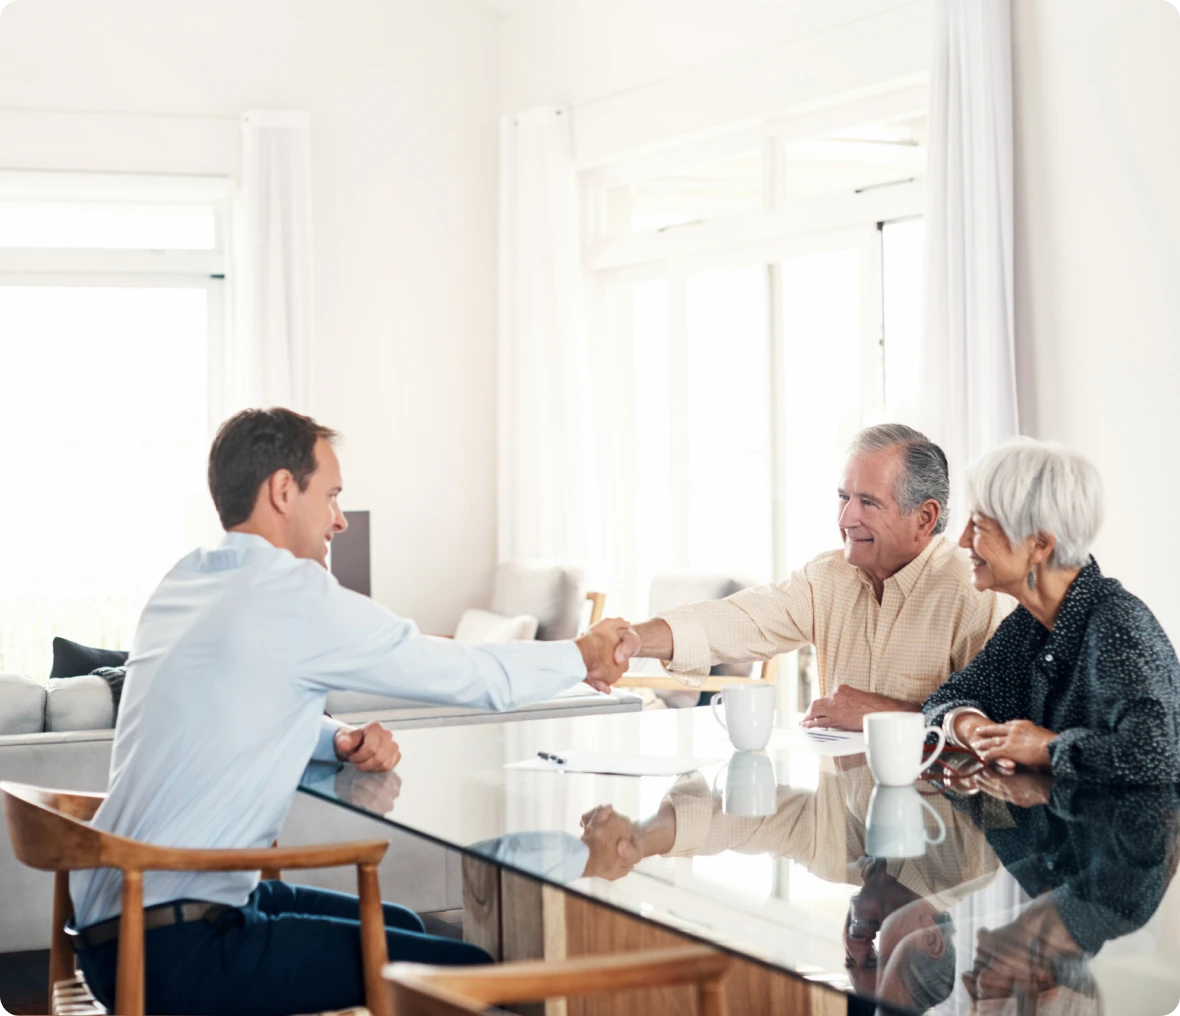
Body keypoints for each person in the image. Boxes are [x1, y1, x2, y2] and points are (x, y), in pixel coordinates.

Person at [69, 408, 638, 1016]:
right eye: (332, 495)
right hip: (178, 948)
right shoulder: (292, 595)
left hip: (116, 926)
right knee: (470, 978)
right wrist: (582, 653)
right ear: (284, 490)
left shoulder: (185, 581)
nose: (339, 518)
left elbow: (230, 707)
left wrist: (335, 741)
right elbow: (474, 679)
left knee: (396, 921)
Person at [619, 423, 1014, 730]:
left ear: (924, 518)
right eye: (843, 497)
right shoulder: (830, 576)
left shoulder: (974, 590)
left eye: (868, 503)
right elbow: (738, 620)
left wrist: (887, 715)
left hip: (945, 819)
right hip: (842, 813)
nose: (845, 519)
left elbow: (999, 724)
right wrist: (630, 640)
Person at [923, 439, 1180, 783]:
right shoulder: (1029, 624)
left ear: (1040, 545)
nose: (963, 540)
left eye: (979, 525)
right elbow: (944, 700)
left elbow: (1159, 755)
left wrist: (1047, 748)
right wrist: (972, 728)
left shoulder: (1118, 624)